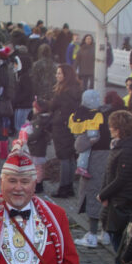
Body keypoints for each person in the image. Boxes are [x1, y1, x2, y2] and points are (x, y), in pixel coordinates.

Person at [98, 110, 132, 264]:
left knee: (119, 237)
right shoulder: (120, 146)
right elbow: (110, 174)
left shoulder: (127, 149)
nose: (110, 129)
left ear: (118, 129)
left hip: (121, 199)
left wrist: (104, 194)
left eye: (112, 127)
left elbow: (122, 178)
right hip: (114, 197)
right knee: (114, 232)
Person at [72, 90, 115, 248]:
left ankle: (92, 235)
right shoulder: (107, 114)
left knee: (93, 195)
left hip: (93, 161)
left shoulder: (89, 118)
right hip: (108, 158)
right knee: (106, 195)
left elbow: (80, 145)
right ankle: (106, 233)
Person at [49, 64, 81, 198]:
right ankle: (69, 187)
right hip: (70, 126)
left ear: (66, 75)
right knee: (70, 156)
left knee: (64, 157)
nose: (57, 76)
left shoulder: (64, 92)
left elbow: (55, 107)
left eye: (59, 73)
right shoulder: (75, 89)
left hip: (62, 127)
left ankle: (63, 187)